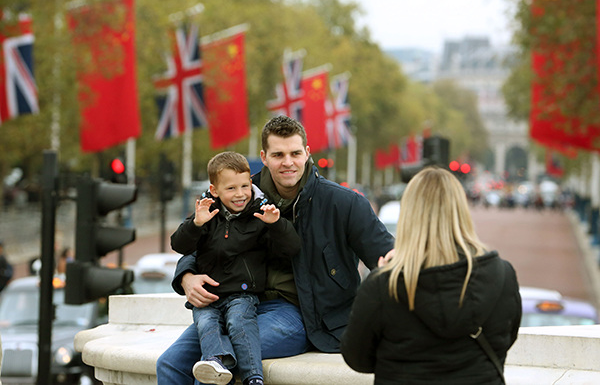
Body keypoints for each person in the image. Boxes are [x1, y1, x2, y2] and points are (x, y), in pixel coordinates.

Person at [156, 115, 395, 384]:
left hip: (303, 315)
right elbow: (198, 238)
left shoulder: (344, 203)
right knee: (169, 364)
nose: (288, 162)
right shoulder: (239, 191)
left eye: (295, 153)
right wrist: (186, 276)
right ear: (264, 157)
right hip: (234, 302)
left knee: (218, 363)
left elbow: (389, 259)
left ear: (307, 153)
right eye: (278, 154)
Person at [340, 167, 522, 384]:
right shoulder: (503, 275)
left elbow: (357, 358)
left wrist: (382, 274)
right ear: (461, 211)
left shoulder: (383, 286)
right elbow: (506, 338)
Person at [171, 152, 301, 385]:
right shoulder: (207, 214)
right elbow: (181, 246)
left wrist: (277, 224)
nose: (240, 194)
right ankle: (215, 359)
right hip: (210, 298)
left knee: (238, 324)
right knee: (189, 345)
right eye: (231, 189)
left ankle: (253, 378)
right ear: (215, 190)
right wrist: (196, 226)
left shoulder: (260, 214)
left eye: (244, 186)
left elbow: (292, 247)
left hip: (245, 295)